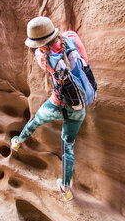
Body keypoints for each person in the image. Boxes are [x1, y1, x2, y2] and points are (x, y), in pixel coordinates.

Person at [11, 16, 88, 201]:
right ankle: (65, 188)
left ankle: (18, 142)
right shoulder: (72, 38)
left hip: (57, 103)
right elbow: (83, 59)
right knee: (68, 146)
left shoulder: (43, 56)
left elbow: (41, 54)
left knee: (36, 120)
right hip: (79, 104)